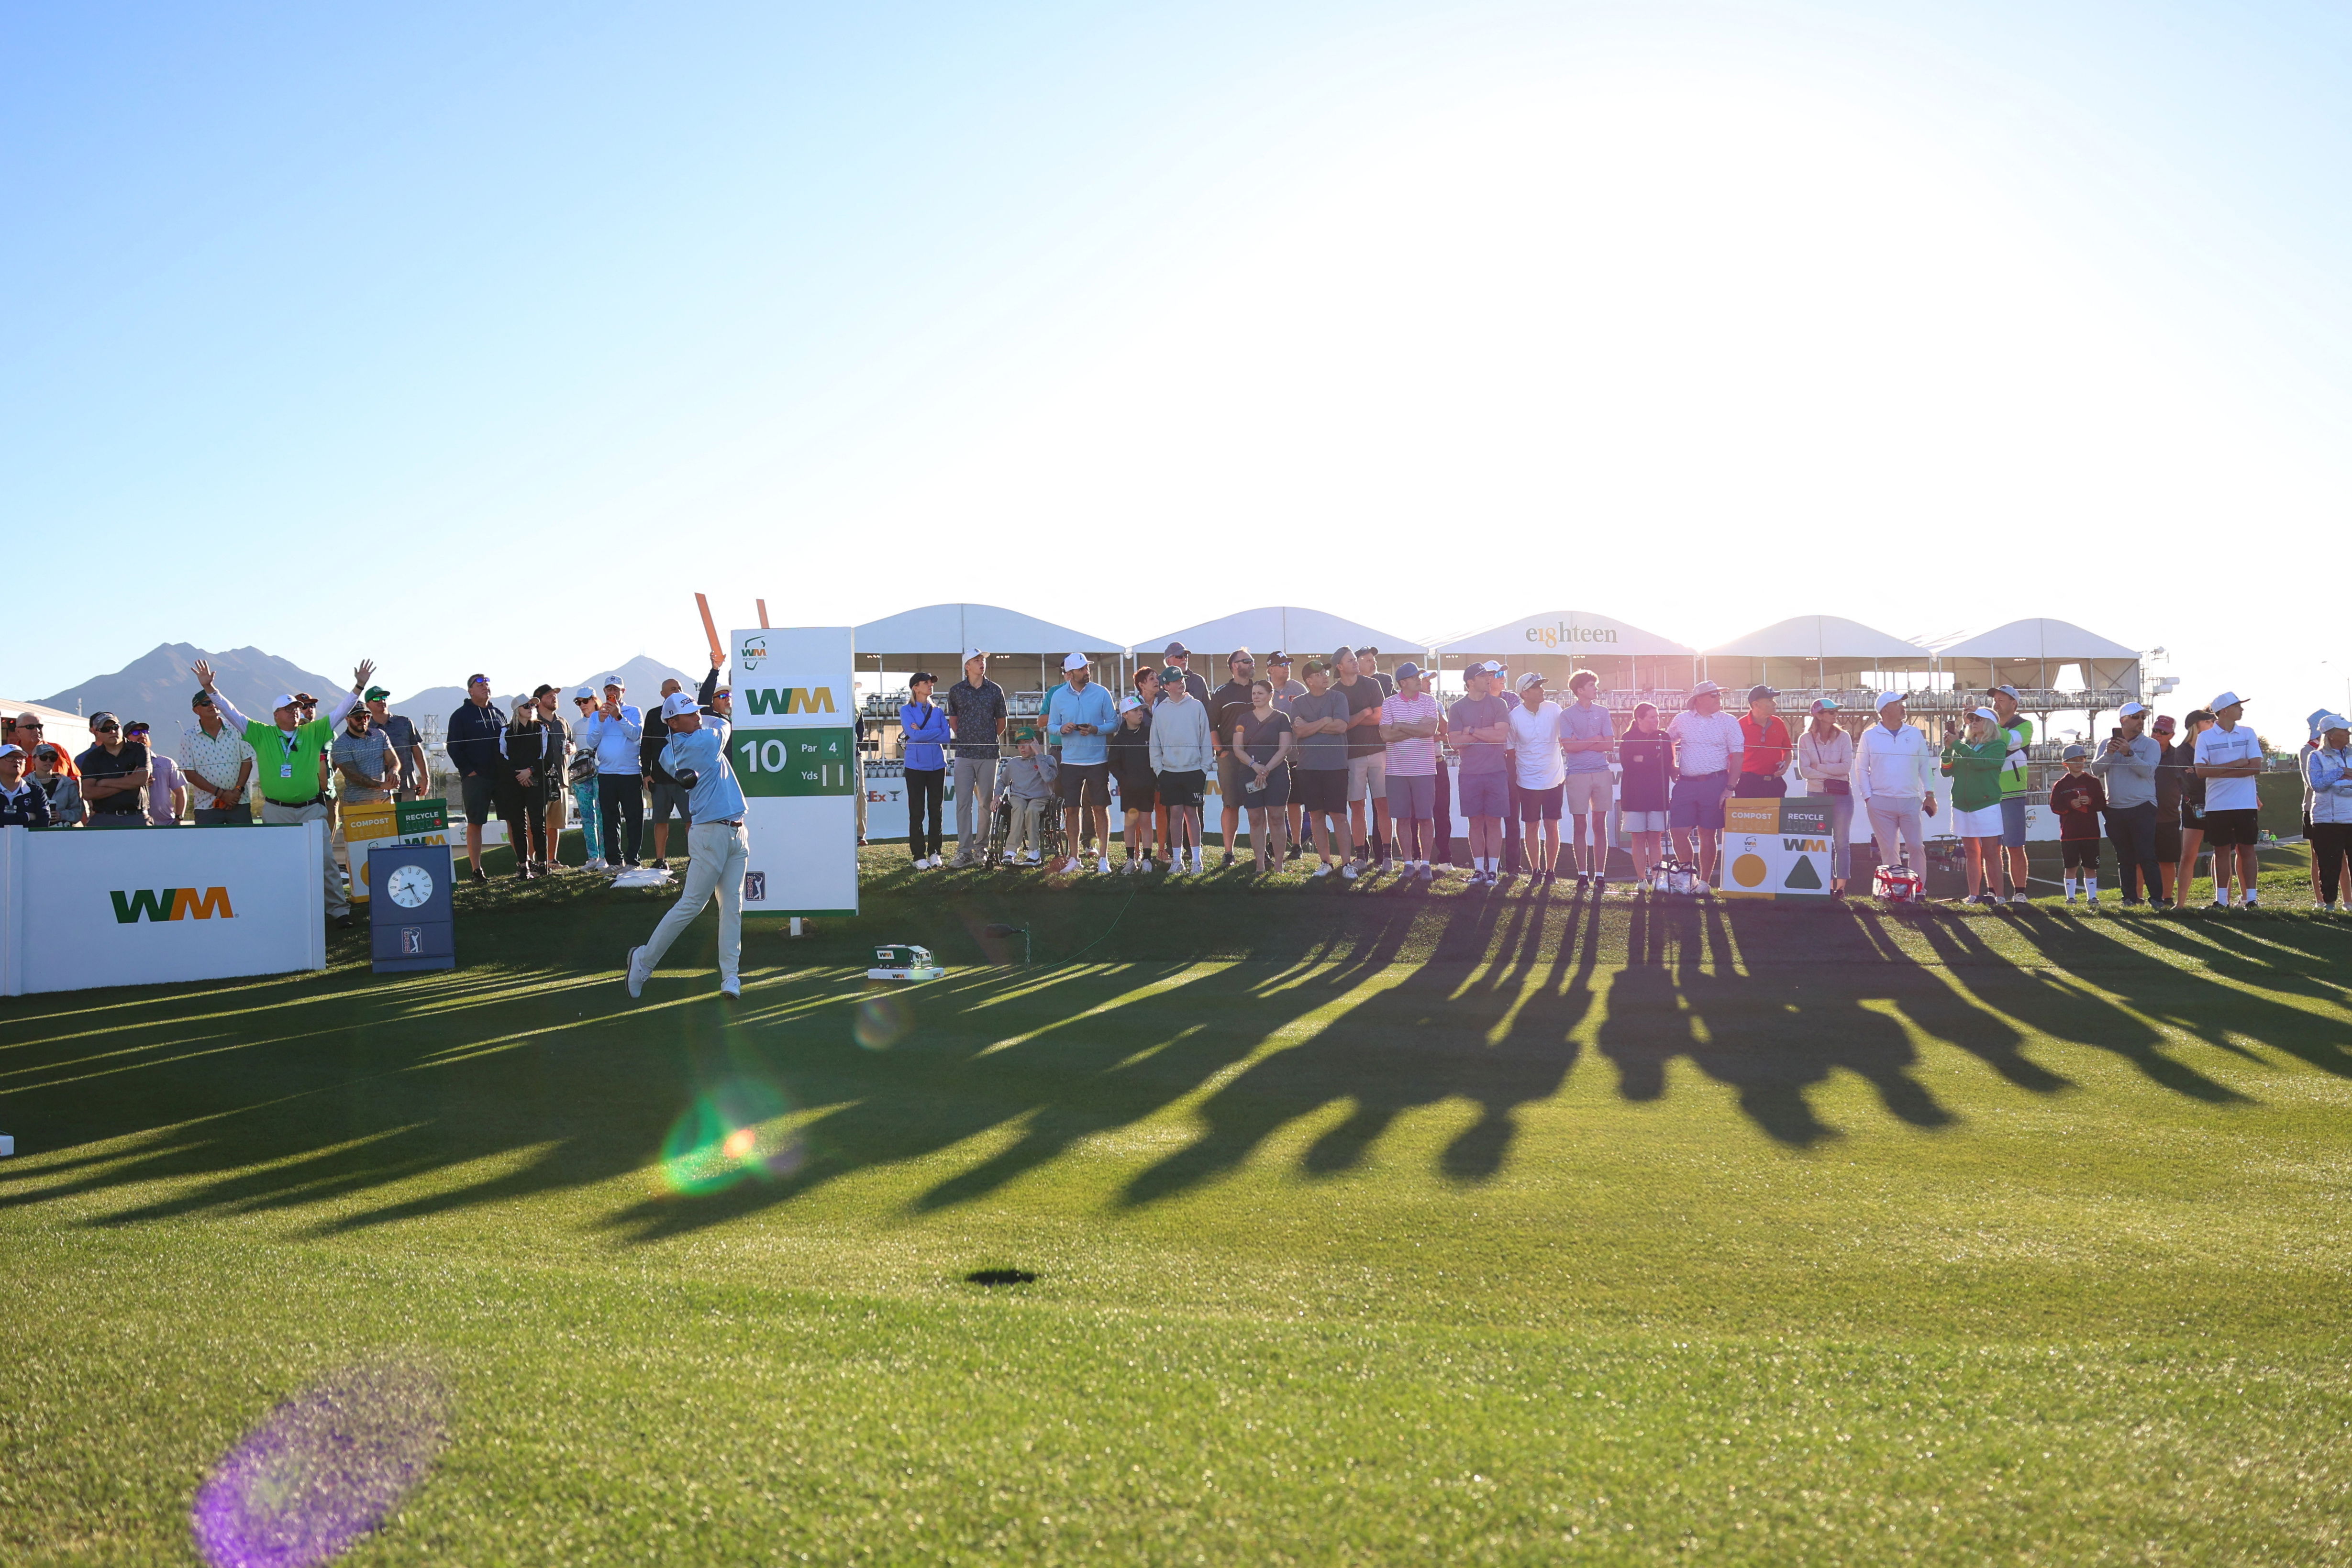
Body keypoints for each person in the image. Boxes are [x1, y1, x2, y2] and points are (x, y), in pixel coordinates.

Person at [193, 658, 375, 926]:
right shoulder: (260, 733)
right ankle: (285, 910)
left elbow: (340, 712)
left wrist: (359, 685)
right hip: (276, 810)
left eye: (297, 709)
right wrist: (210, 689)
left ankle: (338, 911)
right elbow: (231, 712)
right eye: (288, 709)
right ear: (276, 714)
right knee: (279, 863)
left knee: (325, 861)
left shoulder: (313, 732)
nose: (295, 713)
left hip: (312, 808)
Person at [624, 692, 751, 1001]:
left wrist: (698, 711)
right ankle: (643, 961)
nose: (697, 717)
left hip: (737, 831)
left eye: (697, 712)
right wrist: (709, 713)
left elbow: (712, 721)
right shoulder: (688, 748)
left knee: (732, 906)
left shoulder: (693, 736)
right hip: (710, 835)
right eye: (689, 714)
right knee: (692, 905)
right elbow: (723, 723)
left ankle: (730, 977)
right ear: (672, 722)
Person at [1853, 692, 1937, 897]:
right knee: (1890, 850)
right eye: (1898, 703)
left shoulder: (1915, 733)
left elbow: (1925, 765)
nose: (1903, 707)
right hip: (1880, 802)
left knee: (1916, 846)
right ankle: (1898, 891)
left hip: (1910, 800)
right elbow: (1861, 768)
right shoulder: (1869, 736)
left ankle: (1918, 890)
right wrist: (1868, 797)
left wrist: (1930, 793)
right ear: (1885, 710)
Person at [1043, 653, 1117, 876]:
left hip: (1097, 761)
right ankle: (1074, 858)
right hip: (1070, 762)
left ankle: (1103, 858)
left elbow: (1114, 723)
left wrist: (1096, 729)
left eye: (1087, 668)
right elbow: (1051, 726)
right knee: (1071, 810)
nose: (1087, 672)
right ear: (1070, 674)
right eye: (1082, 669)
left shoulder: (1101, 692)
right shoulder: (1058, 696)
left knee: (1099, 808)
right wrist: (1061, 729)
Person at [1666, 681, 1743, 888]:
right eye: (1714, 695)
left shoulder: (1729, 721)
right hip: (1685, 783)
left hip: (1715, 782)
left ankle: (1705, 882)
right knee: (1677, 831)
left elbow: (1738, 756)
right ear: (1699, 699)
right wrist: (1671, 765)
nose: (1719, 698)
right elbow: (1667, 741)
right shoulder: (1681, 719)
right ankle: (1687, 877)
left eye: (1719, 694)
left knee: (1707, 833)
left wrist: (1730, 788)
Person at [2193, 691, 2265, 910]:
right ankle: (2221, 900)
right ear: (2225, 711)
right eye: (2237, 706)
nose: (2242, 709)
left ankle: (2251, 899)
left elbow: (2255, 767)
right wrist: (2238, 763)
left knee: (2247, 850)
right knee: (2221, 851)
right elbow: (2200, 772)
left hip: (2245, 803)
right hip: (2218, 804)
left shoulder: (2248, 733)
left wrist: (2219, 771)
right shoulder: (2206, 737)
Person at [1288, 659, 1357, 880]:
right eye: (1320, 674)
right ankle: (1325, 862)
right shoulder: (1298, 702)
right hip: (1308, 767)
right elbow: (1299, 732)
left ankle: (1347, 864)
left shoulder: (1338, 697)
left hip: (1335, 765)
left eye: (1326, 672)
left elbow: (1341, 726)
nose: (1326, 676)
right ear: (1309, 681)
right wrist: (1325, 721)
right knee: (1316, 815)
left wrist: (1312, 725)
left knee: (1339, 815)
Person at [2092, 701, 2163, 907]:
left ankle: (2157, 899)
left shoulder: (2151, 744)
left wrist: (2129, 754)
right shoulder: (2107, 743)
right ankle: (2129, 899)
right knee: (2125, 858)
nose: (2141, 721)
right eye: (2136, 717)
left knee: (2147, 855)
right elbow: (2096, 770)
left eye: (2143, 717)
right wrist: (2110, 754)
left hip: (2143, 806)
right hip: (2115, 809)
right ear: (2123, 720)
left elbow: (2148, 771)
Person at [1448, 663, 1513, 888]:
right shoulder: (1457, 708)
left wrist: (1472, 731)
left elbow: (1500, 736)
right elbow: (1455, 742)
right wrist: (1487, 733)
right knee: (1475, 823)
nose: (1488, 678)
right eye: (1483, 676)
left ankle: (1492, 871)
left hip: (1496, 772)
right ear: (1470, 682)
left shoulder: (1499, 703)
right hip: (1470, 774)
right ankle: (1478, 870)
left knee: (1494, 822)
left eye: (1489, 675)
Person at [1378, 662, 1443, 882]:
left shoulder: (1429, 701)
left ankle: (1425, 864)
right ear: (1403, 683)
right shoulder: (1389, 704)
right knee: (1403, 818)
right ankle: (1408, 863)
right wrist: (1416, 729)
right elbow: (1386, 736)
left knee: (1426, 818)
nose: (1420, 680)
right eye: (1415, 677)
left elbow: (1429, 730)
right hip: (1397, 771)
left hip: (1424, 769)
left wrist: (1401, 726)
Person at [1941, 707, 2010, 905]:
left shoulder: (1997, 745)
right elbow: (1946, 771)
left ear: (1989, 724)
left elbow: (1979, 763)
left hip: (1986, 805)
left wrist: (1958, 746)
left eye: (1978, 719)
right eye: (1971, 719)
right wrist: (1948, 748)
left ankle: (2000, 897)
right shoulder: (1964, 745)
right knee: (1971, 853)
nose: (1973, 722)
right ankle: (1973, 895)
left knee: (1991, 853)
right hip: (1962, 806)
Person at [1148, 659, 1212, 875]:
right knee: (1175, 814)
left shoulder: (1197, 706)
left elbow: (1206, 739)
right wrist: (1159, 769)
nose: (1181, 684)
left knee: (1191, 814)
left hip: (1194, 770)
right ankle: (1177, 860)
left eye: (1182, 680)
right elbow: (1155, 744)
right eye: (1175, 681)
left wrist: (1204, 767)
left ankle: (1196, 860)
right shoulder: (1160, 711)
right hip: (1169, 772)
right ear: (1166, 686)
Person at [945, 651, 1008, 868]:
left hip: (989, 755)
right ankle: (964, 851)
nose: (981, 663)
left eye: (983, 660)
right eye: (976, 661)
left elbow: (1002, 723)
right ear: (967, 667)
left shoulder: (995, 690)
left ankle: (981, 849)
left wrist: (987, 739)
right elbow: (954, 722)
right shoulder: (956, 691)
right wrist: (968, 738)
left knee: (985, 804)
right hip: (964, 754)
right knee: (963, 803)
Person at [1333, 649, 1393, 874]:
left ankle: (1387, 856)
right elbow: (1342, 725)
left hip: (1379, 752)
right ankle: (1361, 856)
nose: (1355, 663)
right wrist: (1363, 714)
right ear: (1340, 667)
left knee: (1383, 805)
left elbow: (1381, 716)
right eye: (1350, 660)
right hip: (1351, 756)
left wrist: (1354, 719)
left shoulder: (1372, 685)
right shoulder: (1335, 692)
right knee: (1357, 806)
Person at [493, 687, 563, 879]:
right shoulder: (506, 731)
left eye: (533, 705)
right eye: (527, 706)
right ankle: (523, 866)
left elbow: (547, 756)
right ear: (517, 710)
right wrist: (519, 775)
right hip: (512, 784)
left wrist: (530, 771)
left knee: (538, 824)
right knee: (517, 825)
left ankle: (542, 865)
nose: (532, 708)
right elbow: (501, 757)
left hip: (537, 781)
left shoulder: (542, 728)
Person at [446, 674, 509, 881]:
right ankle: (477, 871)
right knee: (475, 822)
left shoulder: (499, 713)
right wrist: (468, 770)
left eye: (487, 684)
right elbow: (454, 746)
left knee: (514, 819)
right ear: (470, 690)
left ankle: (523, 865)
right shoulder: (461, 715)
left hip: (501, 777)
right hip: (476, 778)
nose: (485, 687)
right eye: (480, 684)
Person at [1558, 669, 1616, 889]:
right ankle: (1583, 875)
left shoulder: (1603, 712)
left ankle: (1600, 875)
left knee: (1600, 825)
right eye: (1592, 685)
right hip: (1577, 774)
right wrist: (1594, 739)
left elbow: (1609, 744)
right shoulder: (1566, 715)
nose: (1596, 689)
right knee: (1580, 824)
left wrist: (1582, 742)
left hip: (1601, 771)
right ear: (1580, 690)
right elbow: (1569, 747)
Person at [580, 676, 644, 872]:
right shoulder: (596, 716)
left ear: (622, 692)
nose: (612, 693)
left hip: (631, 773)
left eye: (616, 689)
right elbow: (591, 742)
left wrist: (618, 717)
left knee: (634, 818)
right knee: (609, 819)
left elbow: (636, 735)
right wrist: (600, 721)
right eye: (609, 689)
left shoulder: (633, 711)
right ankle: (615, 861)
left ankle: (633, 861)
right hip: (606, 774)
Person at [1234, 677, 1296, 873]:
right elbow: (1238, 748)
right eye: (1254, 693)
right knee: (1255, 819)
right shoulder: (1243, 719)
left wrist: (1266, 769)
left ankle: (1279, 866)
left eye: (1260, 693)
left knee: (1277, 818)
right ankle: (1260, 865)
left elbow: (1285, 748)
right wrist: (1255, 766)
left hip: (1276, 774)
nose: (1256, 696)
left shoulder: (1281, 718)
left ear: (1271, 695)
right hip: (1249, 774)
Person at [1508, 672, 1564, 883]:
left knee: (1552, 825)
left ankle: (1551, 871)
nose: (1542, 690)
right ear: (1524, 693)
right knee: (1532, 826)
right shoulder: (1514, 716)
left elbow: (1565, 737)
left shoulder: (1554, 709)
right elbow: (1511, 749)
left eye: (1541, 686)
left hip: (1554, 778)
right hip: (1528, 781)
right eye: (1537, 687)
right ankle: (1535, 871)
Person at [1207, 650, 1259, 869]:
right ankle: (1229, 853)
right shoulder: (1222, 693)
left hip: (1257, 758)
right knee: (1230, 805)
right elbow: (1211, 726)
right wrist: (1220, 751)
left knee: (1257, 807)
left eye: (1252, 660)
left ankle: (1261, 852)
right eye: (1247, 661)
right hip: (1229, 758)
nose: (1252, 663)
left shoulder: (1260, 690)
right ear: (1235, 666)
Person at [1796, 700, 1854, 895]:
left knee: (1842, 843)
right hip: (1816, 795)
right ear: (1819, 715)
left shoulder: (1844, 736)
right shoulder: (1805, 739)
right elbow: (1804, 771)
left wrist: (1819, 769)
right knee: (1821, 842)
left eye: (1836, 711)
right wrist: (1832, 772)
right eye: (1830, 712)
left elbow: (1846, 767)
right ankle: (1827, 886)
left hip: (1841, 795)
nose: (1835, 715)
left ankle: (1841, 888)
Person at [1987, 685, 2035, 908]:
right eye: (1995, 700)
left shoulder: (2025, 725)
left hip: (2013, 793)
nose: (1996, 704)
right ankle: (1993, 892)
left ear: (2014, 704)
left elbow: (2012, 741)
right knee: (1990, 847)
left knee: (2015, 846)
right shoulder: (1989, 725)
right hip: (1988, 793)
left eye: (2002, 700)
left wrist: (1988, 726)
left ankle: (2020, 893)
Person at [1617, 702, 1673, 891]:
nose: (1657, 721)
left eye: (1657, 717)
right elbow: (1628, 764)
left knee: (1656, 838)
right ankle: (1642, 880)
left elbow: (1666, 764)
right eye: (1652, 717)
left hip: (1658, 795)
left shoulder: (1664, 737)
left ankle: (1658, 879)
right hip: (1634, 796)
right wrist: (1652, 760)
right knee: (1638, 838)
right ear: (1639, 719)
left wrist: (1642, 759)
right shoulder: (1628, 737)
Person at [899, 672, 951, 868]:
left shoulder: (937, 711)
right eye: (926, 683)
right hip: (915, 767)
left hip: (938, 765)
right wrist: (932, 732)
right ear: (916, 687)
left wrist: (923, 734)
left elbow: (946, 737)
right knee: (917, 812)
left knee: (936, 811)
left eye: (931, 683)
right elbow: (912, 735)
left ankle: (936, 852)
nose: (930, 685)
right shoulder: (906, 710)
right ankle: (918, 856)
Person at [642, 678, 694, 872]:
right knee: (660, 820)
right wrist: (646, 774)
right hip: (660, 778)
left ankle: (694, 858)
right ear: (663, 694)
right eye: (673, 689)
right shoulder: (654, 715)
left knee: (691, 820)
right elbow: (645, 746)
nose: (677, 691)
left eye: (679, 688)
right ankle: (660, 859)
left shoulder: (690, 714)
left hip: (685, 778)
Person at [2304, 714, 2352, 911]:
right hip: (2327, 819)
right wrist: (2341, 772)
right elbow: (2318, 785)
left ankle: (2350, 903)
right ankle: (2330, 905)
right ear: (2331, 735)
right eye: (2344, 732)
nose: (2349, 734)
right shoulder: (2316, 757)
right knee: (2329, 865)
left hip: (2351, 817)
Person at [2050, 744, 2108, 905]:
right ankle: (2071, 898)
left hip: (2091, 832)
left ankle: (2093, 897)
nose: (2079, 763)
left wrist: (2090, 801)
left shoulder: (2093, 782)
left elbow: (2102, 805)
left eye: (2081, 759)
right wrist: (2070, 805)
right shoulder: (2060, 785)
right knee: (2071, 867)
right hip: (2069, 834)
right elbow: (2055, 807)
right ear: (2065, 764)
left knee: (2091, 867)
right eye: (2074, 760)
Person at [74, 712, 150, 828]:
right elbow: (88, 793)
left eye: (115, 727)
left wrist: (105, 783)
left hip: (136, 816)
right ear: (97, 733)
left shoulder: (139, 749)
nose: (112, 732)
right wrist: (128, 782)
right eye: (106, 729)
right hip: (104, 818)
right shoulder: (92, 758)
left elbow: (141, 779)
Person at [1109, 694, 1159, 871]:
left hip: (1147, 786)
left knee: (1146, 821)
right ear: (1125, 715)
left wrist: (1153, 779)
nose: (1140, 714)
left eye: (1141, 710)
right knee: (1130, 823)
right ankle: (1131, 860)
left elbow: (1156, 756)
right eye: (1136, 711)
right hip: (1129, 788)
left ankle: (1147, 859)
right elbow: (1113, 764)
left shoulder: (1149, 732)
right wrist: (1124, 779)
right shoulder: (1119, 739)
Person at [2173, 708, 2215, 906]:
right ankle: (2180, 903)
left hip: (2218, 802)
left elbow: (2219, 776)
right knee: (2188, 855)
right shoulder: (2182, 751)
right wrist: (2209, 774)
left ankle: (2222, 901)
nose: (2213, 724)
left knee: (2222, 852)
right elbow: (2188, 782)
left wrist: (2200, 772)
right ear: (2196, 725)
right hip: (2193, 805)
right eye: (2208, 721)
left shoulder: (2214, 747)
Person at [999, 730, 1058, 865]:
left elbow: (1049, 778)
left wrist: (1038, 755)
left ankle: (1034, 851)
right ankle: (1011, 851)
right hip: (1018, 797)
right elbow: (1002, 782)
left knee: (1032, 810)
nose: (1022, 747)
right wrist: (997, 796)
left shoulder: (1048, 760)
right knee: (1019, 808)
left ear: (1035, 743)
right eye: (1019, 744)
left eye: (1026, 743)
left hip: (1040, 797)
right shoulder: (1014, 763)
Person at [566, 689, 607, 871]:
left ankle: (606, 856)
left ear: (594, 700)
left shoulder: (606, 719)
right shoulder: (576, 725)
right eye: (578, 702)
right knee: (587, 815)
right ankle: (592, 857)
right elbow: (576, 746)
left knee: (603, 813)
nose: (582, 705)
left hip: (602, 769)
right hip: (582, 772)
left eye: (585, 701)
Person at [2150, 714, 2186, 904]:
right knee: (2141, 860)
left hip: (2169, 816)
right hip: (2143, 815)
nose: (2158, 735)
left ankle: (2167, 898)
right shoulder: (2143, 751)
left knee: (2167, 860)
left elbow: (2187, 783)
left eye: (2163, 732)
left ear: (2172, 735)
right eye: (2156, 730)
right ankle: (2138, 899)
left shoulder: (2179, 756)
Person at [122, 722, 186, 825]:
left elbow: (180, 792)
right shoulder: (121, 766)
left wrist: (179, 818)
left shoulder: (166, 762)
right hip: (135, 823)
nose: (142, 735)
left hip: (166, 824)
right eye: (136, 732)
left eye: (145, 732)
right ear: (126, 739)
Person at [1734, 686, 1792, 799]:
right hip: (1748, 784)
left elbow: (1788, 750)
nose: (1775, 704)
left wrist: (1785, 766)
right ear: (1756, 704)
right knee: (1748, 817)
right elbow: (1732, 757)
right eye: (1770, 700)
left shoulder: (1778, 723)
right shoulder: (1740, 725)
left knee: (1777, 817)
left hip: (1775, 783)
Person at [0, 745, 53, 827]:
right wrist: (27, 816)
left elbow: (44, 822)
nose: (17, 761)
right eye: (10, 757)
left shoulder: (36, 792)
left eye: (21, 758)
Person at [28, 744, 81, 824]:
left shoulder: (67, 784)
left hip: (61, 831)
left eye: (53, 758)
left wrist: (62, 815)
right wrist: (39, 815)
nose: (48, 761)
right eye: (44, 757)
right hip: (34, 831)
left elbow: (78, 812)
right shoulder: (25, 784)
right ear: (34, 759)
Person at [1158, 642, 1210, 707]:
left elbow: (1208, 709)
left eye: (1186, 656)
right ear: (1169, 661)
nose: (1184, 659)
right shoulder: (1158, 682)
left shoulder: (1199, 681)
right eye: (1179, 656)